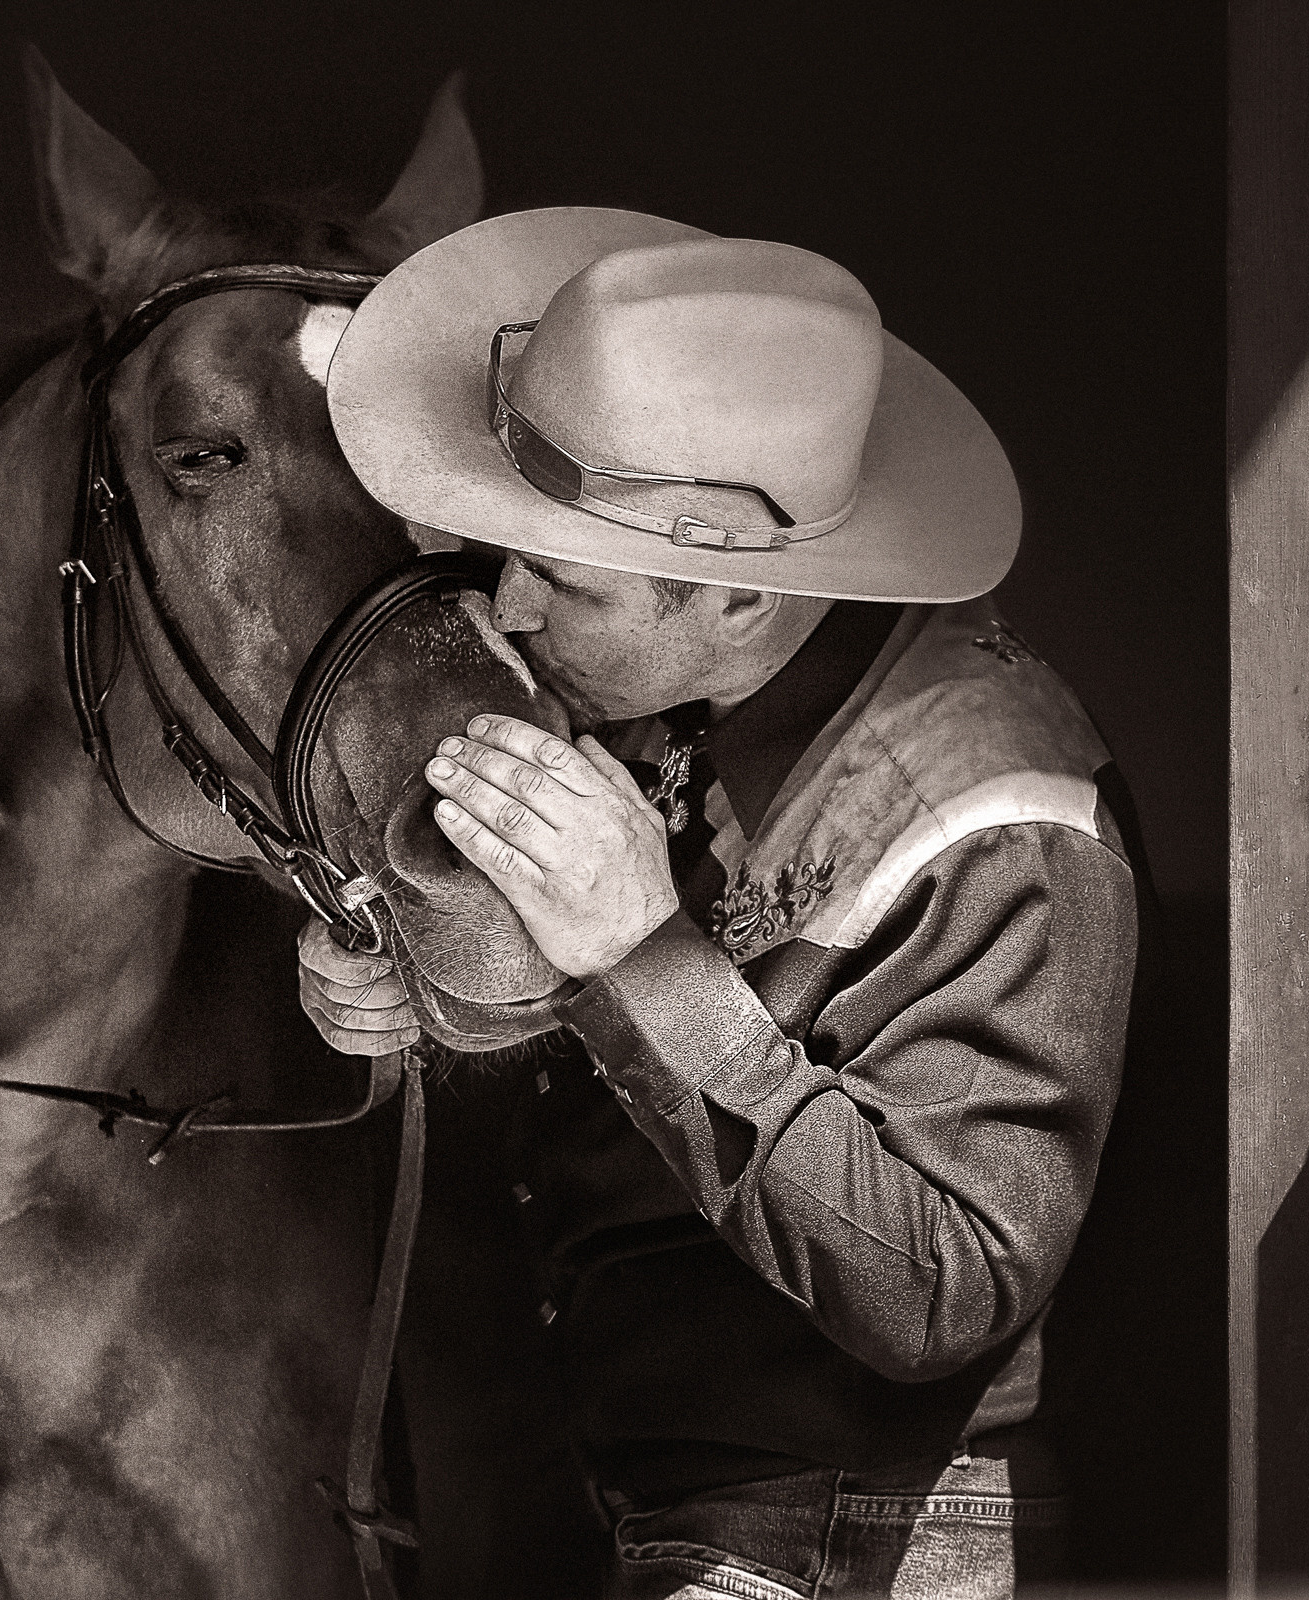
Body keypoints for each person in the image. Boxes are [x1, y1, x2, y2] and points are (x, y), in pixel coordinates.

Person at [301, 208, 1141, 1598]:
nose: (504, 609)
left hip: (858, 1543)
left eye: (559, 579)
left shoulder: (1005, 824)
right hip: (635, 1488)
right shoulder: (662, 691)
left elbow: (946, 1284)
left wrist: (644, 950)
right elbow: (598, 1065)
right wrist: (414, 992)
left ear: (741, 603)